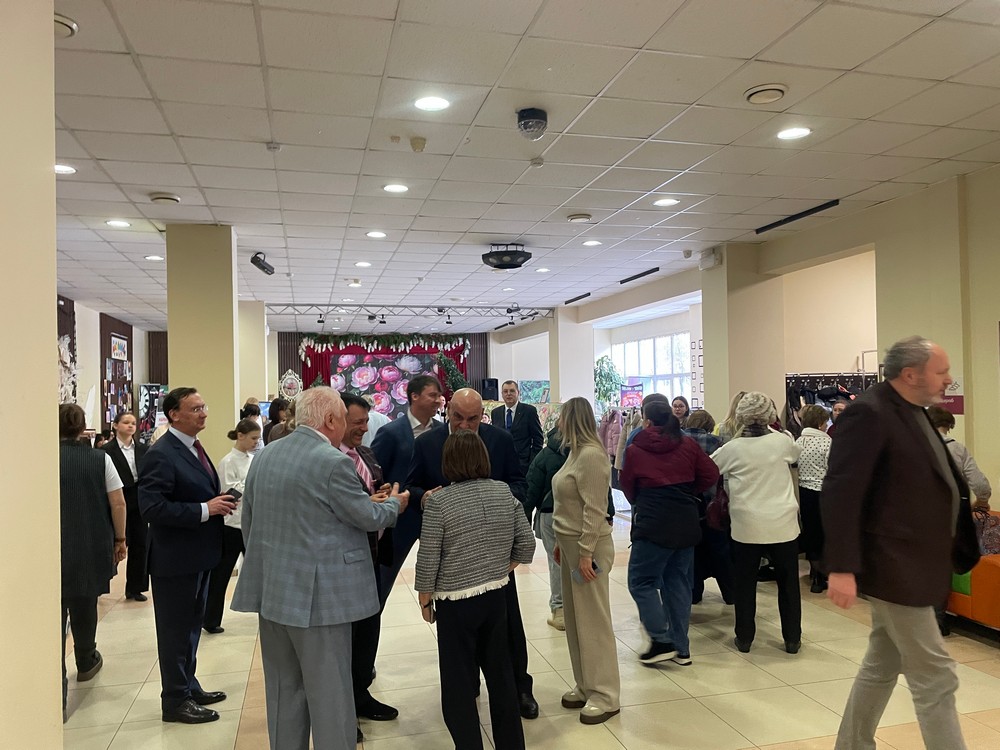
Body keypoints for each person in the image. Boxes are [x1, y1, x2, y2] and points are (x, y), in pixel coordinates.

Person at [823, 336, 980, 750]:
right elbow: (841, 492)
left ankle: (851, 745)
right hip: (894, 567)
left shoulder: (913, 411)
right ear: (911, 375)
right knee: (936, 676)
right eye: (941, 371)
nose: (948, 379)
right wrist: (840, 566)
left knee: (881, 664)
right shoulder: (869, 413)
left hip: (917, 564)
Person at [231, 386, 407, 750]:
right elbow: (367, 517)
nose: (347, 425)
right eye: (342, 417)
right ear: (329, 420)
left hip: (273, 592)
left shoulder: (266, 454)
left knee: (283, 691)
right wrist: (394, 504)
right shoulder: (332, 461)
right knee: (331, 695)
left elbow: (250, 523)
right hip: (320, 600)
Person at [407, 387, 538, 719]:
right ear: (447, 412)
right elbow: (412, 486)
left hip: (495, 554)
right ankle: (470, 686)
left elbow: (519, 484)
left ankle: (520, 687)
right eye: (458, 418)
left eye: (472, 419)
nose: (464, 426)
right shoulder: (427, 443)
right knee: (459, 634)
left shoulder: (500, 440)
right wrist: (425, 497)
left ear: (483, 416)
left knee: (509, 624)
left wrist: (492, 499)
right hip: (452, 559)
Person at [139, 387, 238, 724]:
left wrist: (218, 502)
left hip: (199, 554)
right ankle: (175, 700)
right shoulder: (161, 453)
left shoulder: (194, 447)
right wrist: (204, 509)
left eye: (204, 406)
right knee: (175, 632)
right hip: (175, 559)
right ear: (174, 414)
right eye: (195, 408)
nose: (204, 413)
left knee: (191, 628)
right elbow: (152, 507)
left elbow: (193, 490)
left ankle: (188, 685)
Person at [620, 401, 718, 667]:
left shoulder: (636, 448)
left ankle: (661, 640)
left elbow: (627, 485)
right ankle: (681, 648)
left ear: (647, 421)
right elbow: (711, 473)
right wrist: (688, 492)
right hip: (685, 520)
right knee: (678, 582)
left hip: (653, 521)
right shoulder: (687, 444)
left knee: (641, 581)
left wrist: (644, 499)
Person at [711, 392, 802, 654]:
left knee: (745, 584)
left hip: (746, 526)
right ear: (770, 416)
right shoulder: (782, 441)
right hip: (783, 524)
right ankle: (792, 638)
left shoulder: (733, 448)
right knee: (788, 584)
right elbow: (795, 454)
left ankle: (745, 637)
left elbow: (710, 468)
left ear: (741, 416)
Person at [552, 397, 620, 726]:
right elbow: (570, 503)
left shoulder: (592, 455)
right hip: (571, 546)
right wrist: (562, 545)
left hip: (588, 549)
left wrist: (585, 552)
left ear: (572, 419)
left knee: (593, 621)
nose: (557, 422)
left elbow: (595, 508)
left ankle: (605, 694)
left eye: (561, 416)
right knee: (577, 620)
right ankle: (585, 683)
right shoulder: (574, 453)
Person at [59, 404, 126, 717]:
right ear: (82, 427)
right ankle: (86, 659)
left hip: (51, 546)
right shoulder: (100, 459)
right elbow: (118, 503)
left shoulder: (41, 459)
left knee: (52, 611)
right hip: (89, 542)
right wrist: (120, 539)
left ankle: (56, 686)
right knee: (85, 601)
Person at [337, 393, 398, 730]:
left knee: (368, 628)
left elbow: (370, 491)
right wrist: (372, 504)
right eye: (357, 422)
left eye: (365, 422)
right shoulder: (330, 461)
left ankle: (361, 692)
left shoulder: (366, 453)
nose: (363, 428)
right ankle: (342, 708)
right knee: (346, 636)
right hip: (343, 563)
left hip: (372, 557)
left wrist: (381, 494)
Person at [371, 374, 444, 604]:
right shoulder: (391, 433)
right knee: (383, 579)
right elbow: (376, 473)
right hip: (401, 518)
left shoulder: (442, 431)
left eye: (439, 396)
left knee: (444, 576)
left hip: (436, 516)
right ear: (414, 396)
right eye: (432, 395)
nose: (438, 400)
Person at [202, 418, 260, 635]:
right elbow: (230, 492)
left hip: (251, 522)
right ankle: (210, 618)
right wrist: (252, 483)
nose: (256, 442)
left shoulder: (253, 459)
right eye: (253, 438)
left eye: (258, 439)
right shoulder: (228, 461)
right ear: (240, 436)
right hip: (232, 524)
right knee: (221, 573)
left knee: (259, 571)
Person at [684, 410, 734, 605]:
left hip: (688, 504)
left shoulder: (678, 441)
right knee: (720, 549)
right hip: (712, 504)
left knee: (693, 551)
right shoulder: (716, 442)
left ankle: (694, 593)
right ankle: (730, 593)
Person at [102, 411, 149, 601]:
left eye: (133, 423)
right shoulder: (107, 450)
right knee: (114, 543)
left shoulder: (143, 449)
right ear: (115, 425)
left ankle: (135, 588)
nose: (130, 426)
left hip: (139, 498)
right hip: (117, 496)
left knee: (140, 544)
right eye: (126, 422)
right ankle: (101, 583)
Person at [795, 404, 832, 594]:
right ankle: (821, 574)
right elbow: (832, 468)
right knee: (824, 533)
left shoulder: (798, 442)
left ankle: (814, 571)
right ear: (819, 423)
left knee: (811, 531)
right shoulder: (827, 443)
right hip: (824, 492)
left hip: (804, 491)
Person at [928, 405, 992, 509]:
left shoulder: (913, 445)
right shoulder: (958, 449)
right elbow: (980, 485)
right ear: (949, 426)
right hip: (950, 509)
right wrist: (982, 501)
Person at [491, 380, 544, 475]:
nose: (508, 394)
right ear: (502, 394)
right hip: (501, 464)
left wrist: (531, 462)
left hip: (523, 465)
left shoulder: (529, 411)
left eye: (512, 391)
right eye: (505, 391)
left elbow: (538, 439)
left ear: (518, 393)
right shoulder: (495, 413)